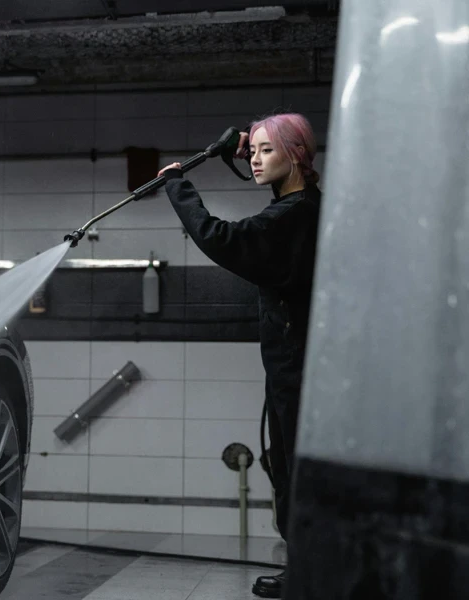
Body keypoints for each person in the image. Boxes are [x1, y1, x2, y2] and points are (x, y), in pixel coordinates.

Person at [159, 113, 322, 599]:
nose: (254, 159)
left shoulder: (293, 215)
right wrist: (247, 144)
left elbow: (222, 238)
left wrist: (177, 186)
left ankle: (310, 576)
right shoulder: (301, 207)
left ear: (295, 155)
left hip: (298, 368)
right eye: (252, 151)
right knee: (288, 466)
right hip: (292, 366)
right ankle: (308, 570)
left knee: (296, 470)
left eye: (267, 151)